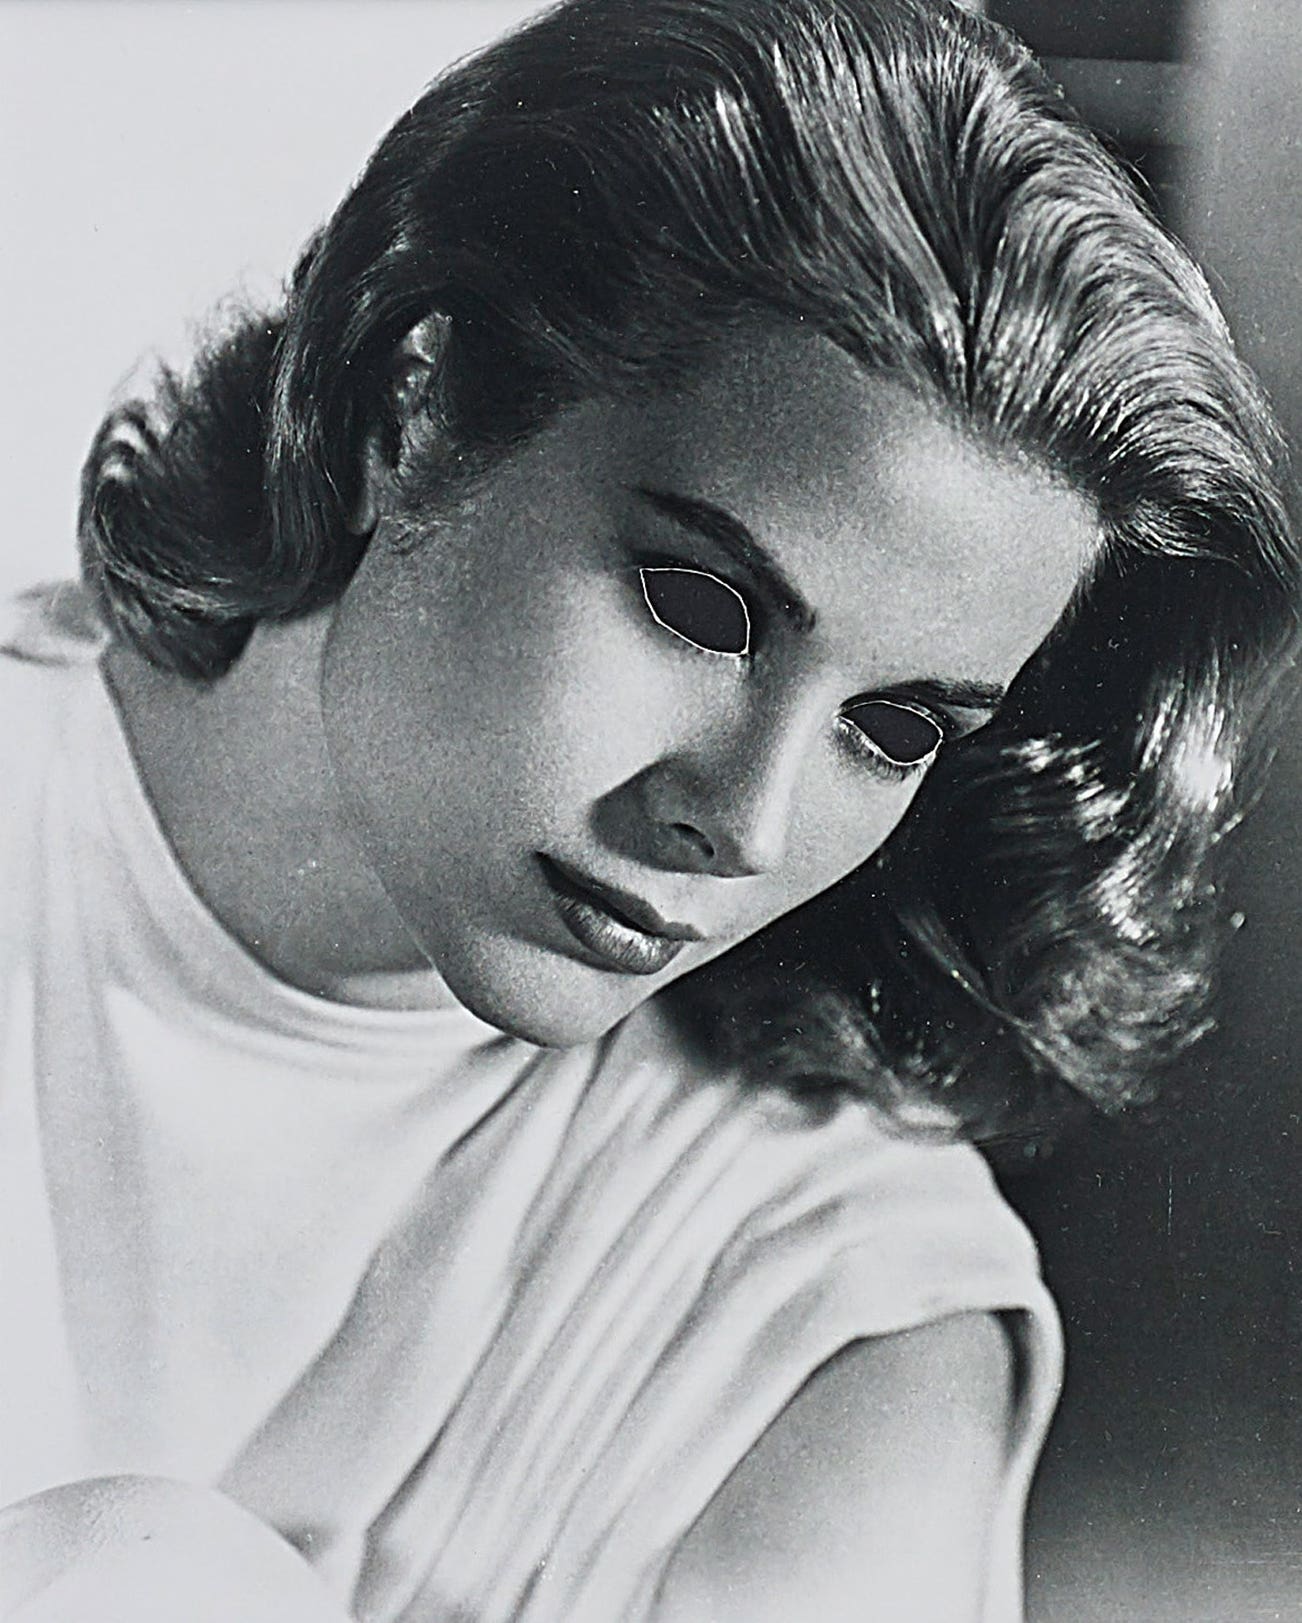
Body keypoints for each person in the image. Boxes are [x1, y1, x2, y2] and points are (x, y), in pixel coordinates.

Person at [0, 0, 1295, 1618]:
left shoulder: (832, 1315)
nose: (743, 820)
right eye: (701, 607)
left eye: (891, 728)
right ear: (414, 409)